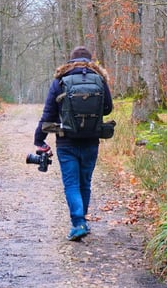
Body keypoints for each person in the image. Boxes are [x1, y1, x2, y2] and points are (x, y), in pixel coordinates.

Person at [33, 46, 113, 241]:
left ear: (70, 61)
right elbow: (108, 109)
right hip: (91, 140)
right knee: (85, 182)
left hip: (66, 141)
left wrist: (39, 140)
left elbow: (48, 113)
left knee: (71, 183)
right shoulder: (99, 80)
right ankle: (82, 221)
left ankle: (78, 223)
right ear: (90, 61)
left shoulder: (60, 81)